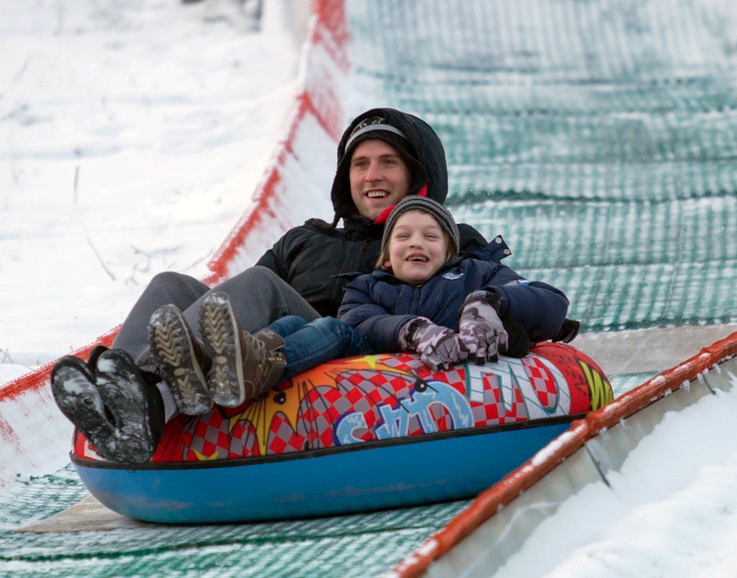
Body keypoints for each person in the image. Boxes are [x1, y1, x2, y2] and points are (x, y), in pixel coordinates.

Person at [50, 107, 574, 464]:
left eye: (388, 162)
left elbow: (516, 293)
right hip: (265, 342)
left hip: (335, 346)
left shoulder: (444, 242)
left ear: (420, 176)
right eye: (360, 163)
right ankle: (123, 395)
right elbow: (223, 307)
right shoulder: (306, 240)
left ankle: (143, 396)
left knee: (260, 283)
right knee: (172, 282)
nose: (372, 175)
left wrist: (488, 308)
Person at [192, 195, 568, 408]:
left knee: (325, 328)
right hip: (372, 357)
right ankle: (249, 360)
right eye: (403, 236)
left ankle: (255, 365)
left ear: (451, 251)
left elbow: (551, 301)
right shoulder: (367, 286)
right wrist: (412, 331)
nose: (417, 243)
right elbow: (358, 321)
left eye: (430, 236)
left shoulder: (474, 275)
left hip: (422, 375)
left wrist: (488, 304)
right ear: (386, 255)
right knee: (305, 327)